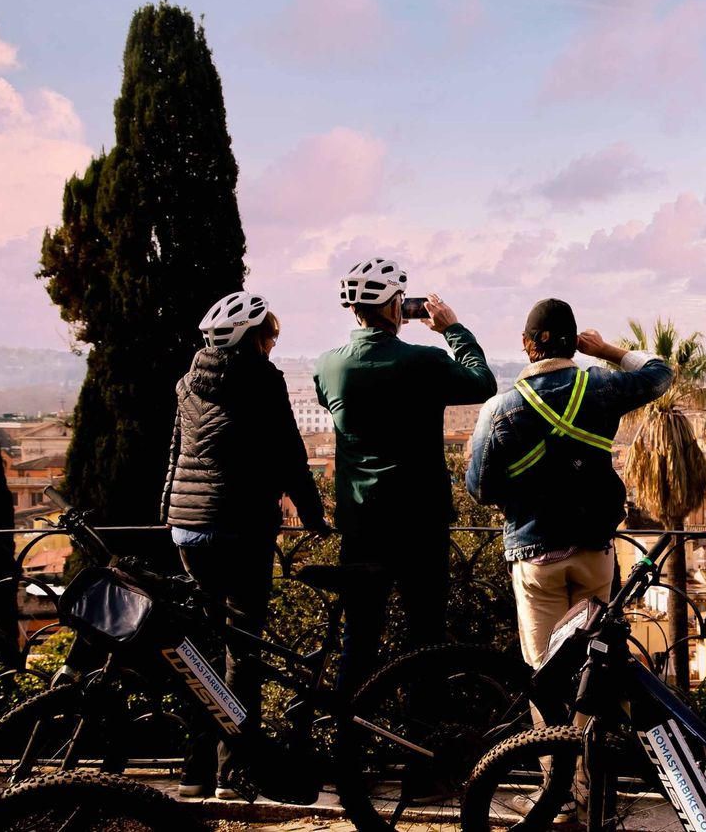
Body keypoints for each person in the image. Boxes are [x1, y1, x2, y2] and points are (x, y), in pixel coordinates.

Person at [161, 290, 328, 799]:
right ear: (252, 338)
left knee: (198, 652)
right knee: (242, 651)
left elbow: (177, 453)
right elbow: (290, 456)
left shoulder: (187, 382)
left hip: (187, 528)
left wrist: (170, 511)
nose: (274, 344)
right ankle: (232, 773)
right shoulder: (263, 380)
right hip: (240, 529)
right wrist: (315, 517)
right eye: (270, 335)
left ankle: (193, 773)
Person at [314, 258, 496, 695]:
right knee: (425, 638)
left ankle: (349, 728)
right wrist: (452, 329)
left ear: (354, 310)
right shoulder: (424, 362)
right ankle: (422, 729)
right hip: (420, 524)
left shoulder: (328, 366)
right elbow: (482, 382)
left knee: (359, 638)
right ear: (397, 306)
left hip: (361, 525)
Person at [466, 298, 672, 672]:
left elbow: (480, 488)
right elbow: (659, 374)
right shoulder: (600, 386)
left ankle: (552, 714)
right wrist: (606, 350)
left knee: (544, 669)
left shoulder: (498, 409)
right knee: (592, 662)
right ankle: (587, 713)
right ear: (575, 342)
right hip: (593, 547)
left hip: (534, 551)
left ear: (527, 342)